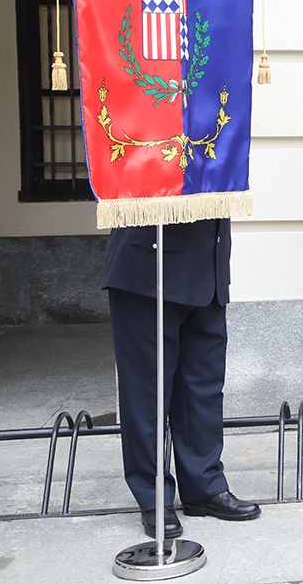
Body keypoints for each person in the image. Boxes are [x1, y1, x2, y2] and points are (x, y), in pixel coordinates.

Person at [103, 218, 261, 539]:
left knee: (202, 387)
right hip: (149, 265)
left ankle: (204, 485)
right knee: (148, 392)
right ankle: (153, 497)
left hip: (207, 263)